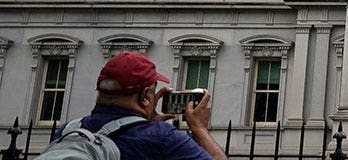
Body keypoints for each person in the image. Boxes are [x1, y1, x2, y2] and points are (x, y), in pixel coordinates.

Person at [55, 52, 228, 160]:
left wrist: (144, 121)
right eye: (153, 92)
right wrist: (199, 128)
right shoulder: (163, 138)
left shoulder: (66, 131)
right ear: (145, 96)